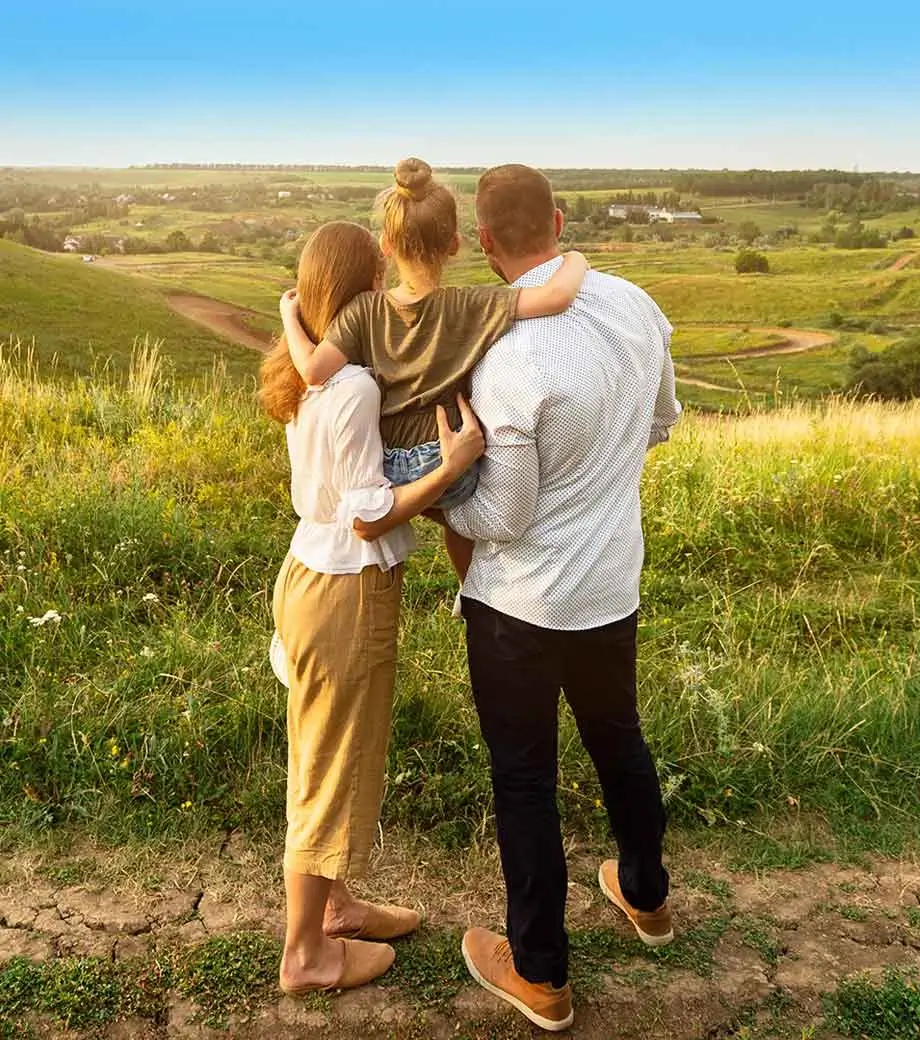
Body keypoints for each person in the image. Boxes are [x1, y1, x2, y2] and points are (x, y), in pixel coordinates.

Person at [444, 165, 682, 1032]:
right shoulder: (635, 304)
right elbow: (661, 419)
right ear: (560, 218)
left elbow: (502, 517)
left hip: (521, 603)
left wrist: (444, 481)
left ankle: (541, 973)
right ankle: (648, 898)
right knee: (620, 738)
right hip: (611, 581)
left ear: (483, 244)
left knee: (525, 780)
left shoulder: (505, 358)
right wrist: (599, 478)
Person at [258, 221, 484, 994]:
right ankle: (305, 957)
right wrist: (451, 468)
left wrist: (291, 321)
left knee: (323, 753)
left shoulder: (303, 376)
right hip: (346, 587)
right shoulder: (351, 385)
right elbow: (368, 512)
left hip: (308, 575)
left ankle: (338, 909)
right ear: (363, 293)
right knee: (329, 768)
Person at [278, 157, 587, 583]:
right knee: (463, 511)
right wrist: (576, 259)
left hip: (385, 468)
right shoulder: (469, 304)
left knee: (434, 503)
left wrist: (288, 317)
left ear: (386, 245)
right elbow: (556, 296)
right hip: (446, 463)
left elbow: (313, 371)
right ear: (455, 244)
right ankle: (471, 587)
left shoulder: (364, 310)